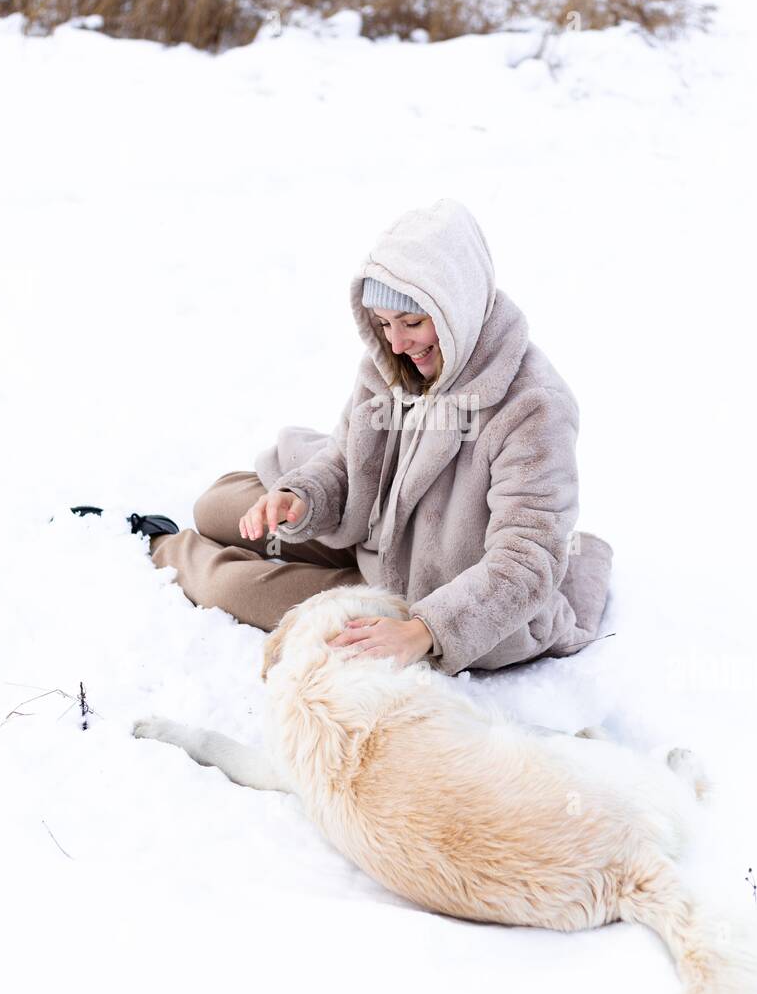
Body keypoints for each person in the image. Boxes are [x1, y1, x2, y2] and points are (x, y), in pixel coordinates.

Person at [143, 197, 613, 676]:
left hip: (435, 601)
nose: (396, 343)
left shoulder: (533, 405)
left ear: (460, 310)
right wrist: (301, 498)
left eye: (412, 323)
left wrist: (423, 631)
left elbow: (527, 562)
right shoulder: (393, 364)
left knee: (231, 589)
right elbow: (347, 460)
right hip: (375, 533)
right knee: (217, 504)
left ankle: (160, 544)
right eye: (385, 324)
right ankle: (268, 527)